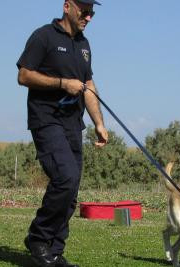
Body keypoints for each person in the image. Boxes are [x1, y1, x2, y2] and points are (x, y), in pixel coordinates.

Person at [16, 0, 108, 266]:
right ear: (68, 6)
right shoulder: (43, 36)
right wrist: (61, 83)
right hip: (46, 120)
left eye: (92, 12)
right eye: (85, 10)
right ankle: (38, 238)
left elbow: (88, 85)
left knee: (71, 190)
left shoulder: (84, 45)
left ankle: (54, 252)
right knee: (65, 178)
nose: (89, 17)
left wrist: (99, 124)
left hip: (73, 124)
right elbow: (24, 75)